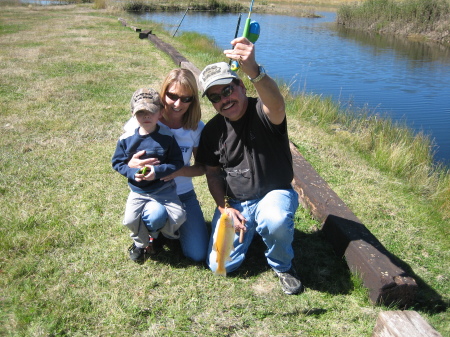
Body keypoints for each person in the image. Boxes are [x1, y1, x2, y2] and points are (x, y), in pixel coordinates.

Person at [196, 37, 302, 294]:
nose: (224, 100)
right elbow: (212, 175)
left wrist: (254, 70)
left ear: (241, 86)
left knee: (274, 219)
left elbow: (277, 104)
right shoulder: (211, 131)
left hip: (272, 194)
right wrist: (224, 209)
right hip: (237, 203)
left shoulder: (263, 111)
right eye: (215, 98)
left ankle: (283, 265)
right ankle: (251, 230)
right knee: (220, 265)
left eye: (227, 90)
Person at [125, 69, 209, 263]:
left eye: (186, 98)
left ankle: (165, 228)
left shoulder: (196, 127)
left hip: (183, 194)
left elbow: (202, 168)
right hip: (150, 193)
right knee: (155, 215)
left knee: (197, 254)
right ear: (163, 93)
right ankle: (148, 236)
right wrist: (131, 163)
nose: (178, 104)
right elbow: (125, 159)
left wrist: (177, 170)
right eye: (172, 96)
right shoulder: (145, 119)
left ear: (193, 100)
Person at [112, 88, 186, 263]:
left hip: (164, 189)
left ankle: (166, 235)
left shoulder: (167, 137)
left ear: (160, 113)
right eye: (141, 113)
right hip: (138, 191)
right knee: (130, 219)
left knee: (179, 216)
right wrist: (132, 173)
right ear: (132, 114)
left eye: (151, 112)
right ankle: (140, 243)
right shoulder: (126, 139)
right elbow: (117, 163)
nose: (146, 116)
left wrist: (157, 172)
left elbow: (177, 162)